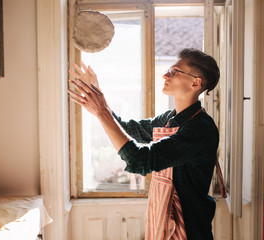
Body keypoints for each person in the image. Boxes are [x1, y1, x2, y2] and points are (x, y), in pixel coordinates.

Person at [68, 48, 226, 240]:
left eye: (175, 71)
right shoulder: (169, 118)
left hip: (190, 229)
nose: (165, 75)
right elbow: (128, 129)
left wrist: (102, 111)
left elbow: (140, 160)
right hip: (163, 222)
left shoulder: (200, 129)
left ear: (195, 82)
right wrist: (99, 98)